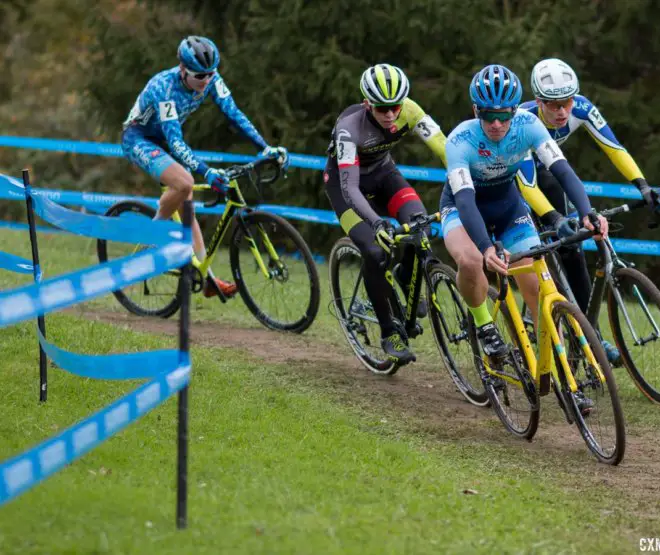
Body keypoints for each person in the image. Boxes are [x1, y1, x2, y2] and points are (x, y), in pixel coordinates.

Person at [440, 64, 607, 364]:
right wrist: (485, 246)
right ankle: (484, 324)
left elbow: (563, 171)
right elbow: (465, 201)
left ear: (515, 111)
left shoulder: (528, 125)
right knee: (471, 260)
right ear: (475, 110)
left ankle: (556, 373)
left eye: (504, 116)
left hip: (508, 207)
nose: (496, 124)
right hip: (462, 209)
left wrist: (587, 213)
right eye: (488, 116)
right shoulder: (459, 140)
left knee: (539, 290)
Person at [520, 58, 660, 363]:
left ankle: (590, 335)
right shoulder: (523, 120)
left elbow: (614, 148)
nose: (562, 111)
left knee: (572, 248)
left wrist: (642, 185)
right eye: (553, 104)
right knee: (532, 251)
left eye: (567, 102)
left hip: (549, 174)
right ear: (538, 101)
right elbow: (525, 182)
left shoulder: (582, 109)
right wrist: (553, 217)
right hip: (517, 180)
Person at [121, 35, 289, 298]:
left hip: (164, 140)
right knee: (186, 182)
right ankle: (153, 237)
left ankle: (207, 277)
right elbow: (176, 142)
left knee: (186, 200)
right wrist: (207, 171)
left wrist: (264, 147)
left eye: (211, 74)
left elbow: (234, 114)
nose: (207, 81)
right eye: (200, 76)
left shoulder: (211, 79)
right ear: (182, 70)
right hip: (139, 139)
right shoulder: (163, 89)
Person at [324, 63, 448, 364]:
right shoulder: (349, 129)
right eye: (382, 109)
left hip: (383, 175)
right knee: (375, 252)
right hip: (346, 187)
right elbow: (350, 188)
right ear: (368, 104)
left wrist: (465, 185)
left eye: (396, 106)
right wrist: (377, 221)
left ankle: (405, 275)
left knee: (421, 227)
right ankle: (388, 330)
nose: (391, 114)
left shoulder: (411, 110)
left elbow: (444, 148)